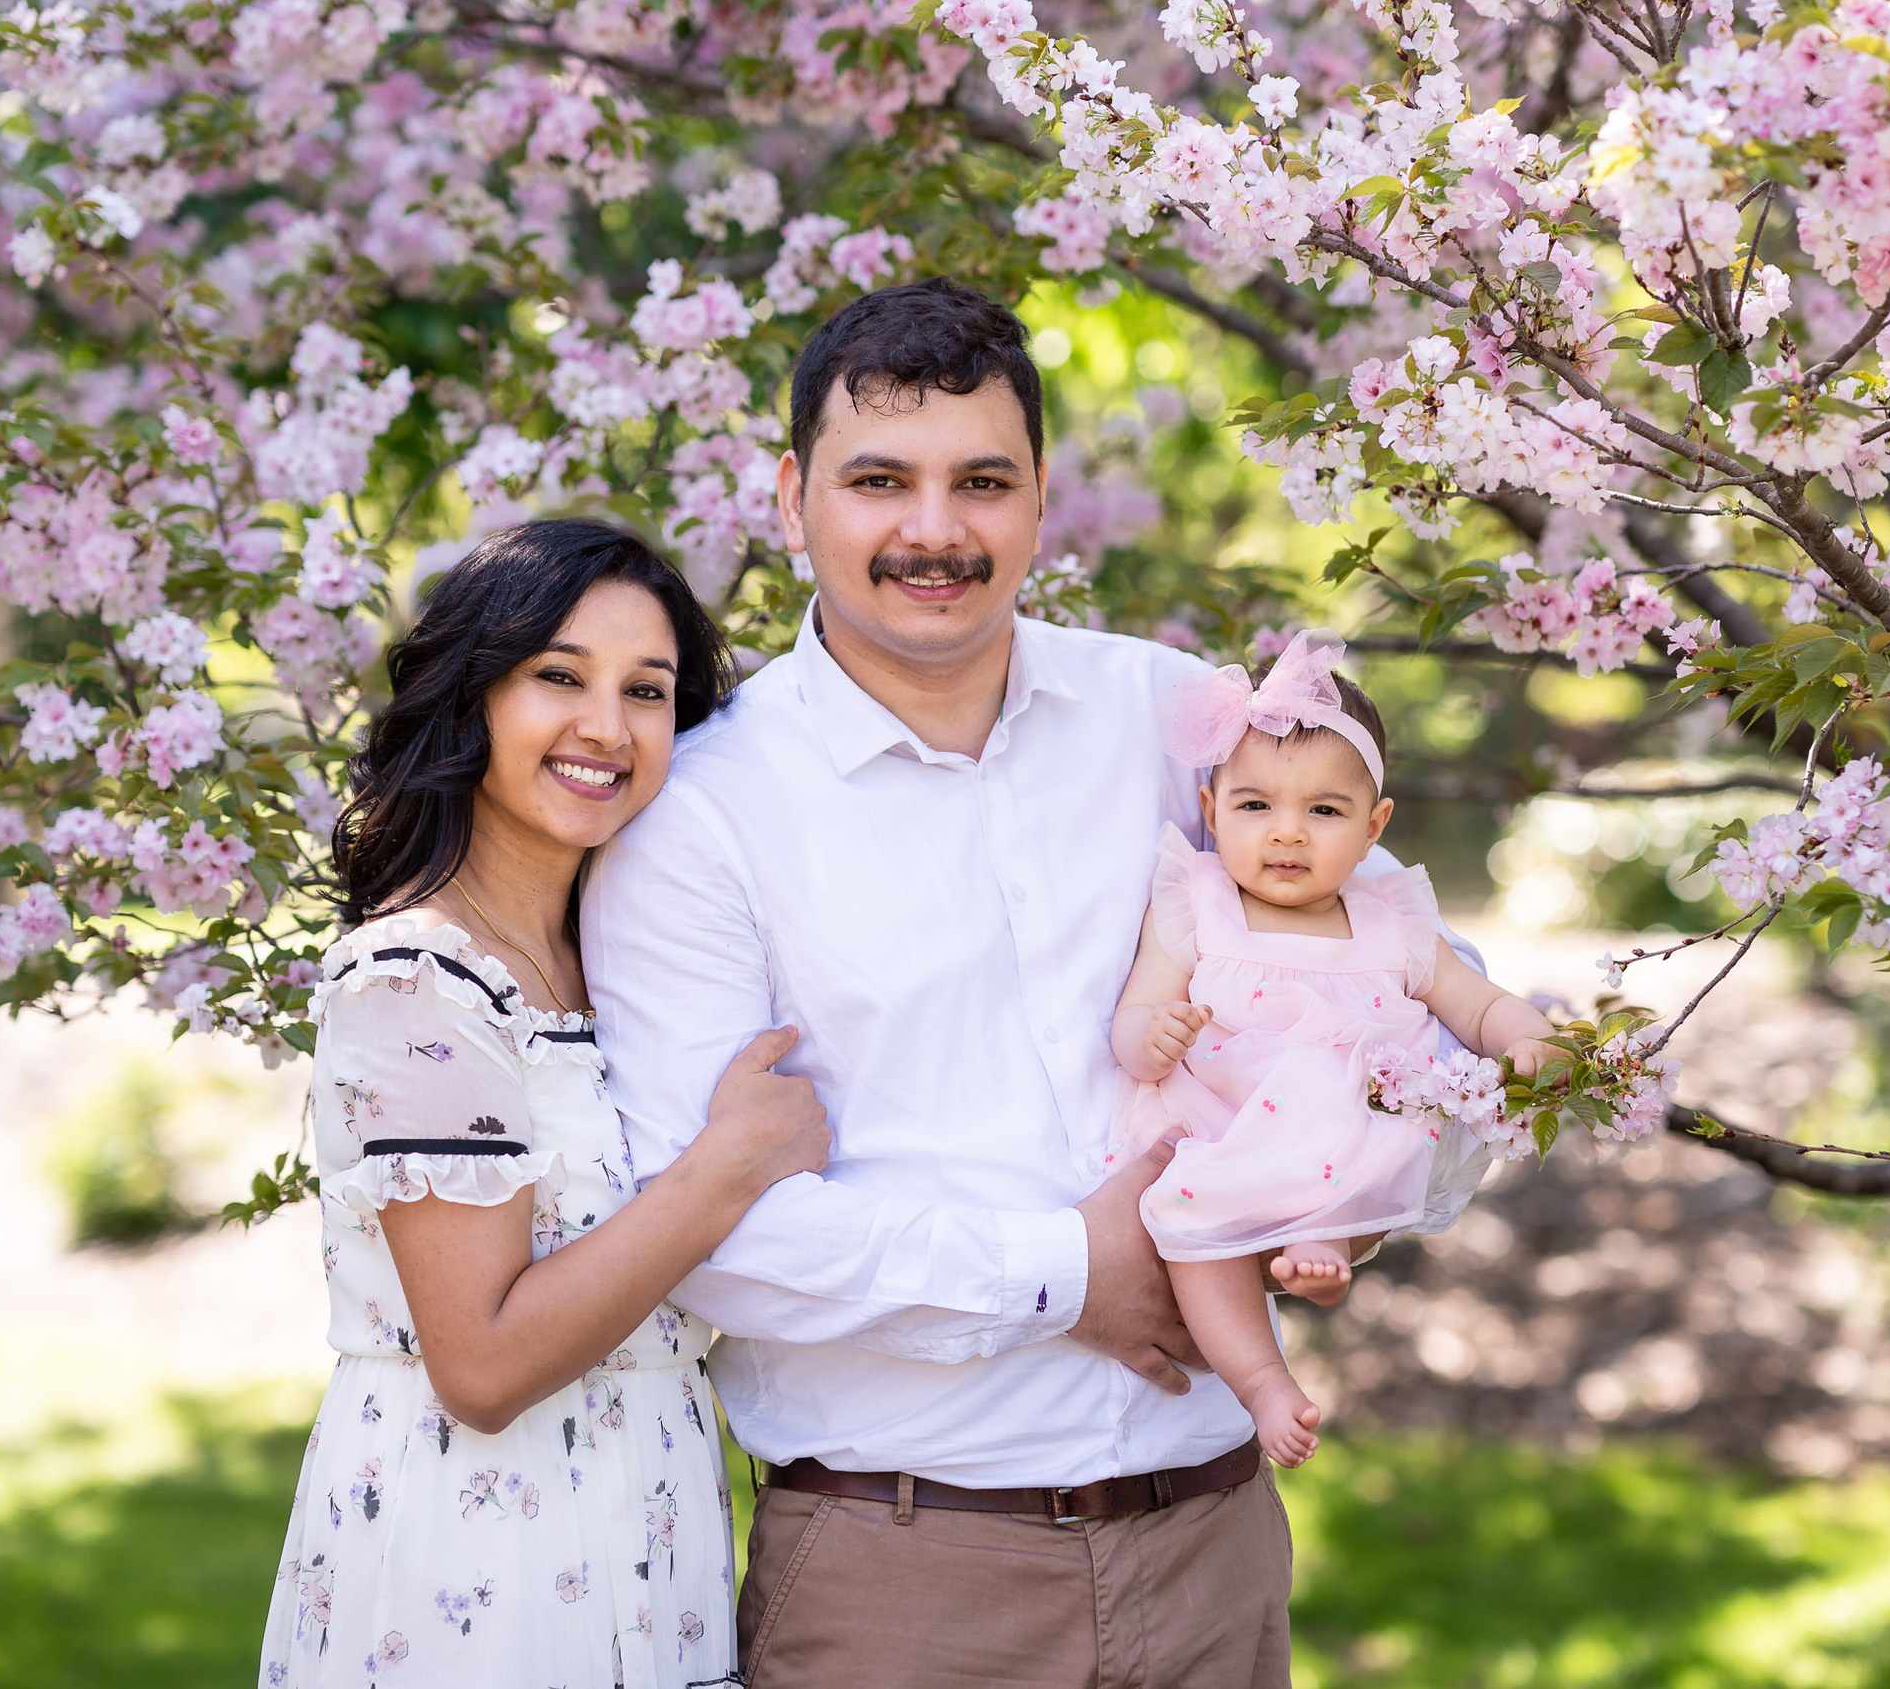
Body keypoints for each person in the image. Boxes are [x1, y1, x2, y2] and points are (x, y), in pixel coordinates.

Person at [581, 278, 1484, 1687]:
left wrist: (1362, 1184)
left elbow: (1421, 988)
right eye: (880, 479)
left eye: (982, 481)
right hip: (907, 1575)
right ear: (789, 492)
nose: (934, 531)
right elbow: (705, 1231)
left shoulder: (1176, 716)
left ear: (1042, 499)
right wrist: (1075, 1271)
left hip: (1214, 1540)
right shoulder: (697, 817)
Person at [259, 520, 829, 1689]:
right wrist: (725, 1170)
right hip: (479, 1566)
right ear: (475, 698)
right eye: (558, 677)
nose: (606, 727)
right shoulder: (416, 977)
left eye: (648, 691)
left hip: (648, 1527)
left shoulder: (619, 965)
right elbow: (480, 1360)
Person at [1109, 630, 1560, 1469]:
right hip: (1223, 1136)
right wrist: (1151, 1037)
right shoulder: (1196, 904)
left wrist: (1530, 1039)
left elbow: (1479, 1002)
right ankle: (1262, 1382)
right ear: (1211, 813)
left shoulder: (1394, 925)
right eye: (1255, 807)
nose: (1288, 834)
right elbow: (1135, 1017)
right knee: (1195, 1238)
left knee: (1378, 1144)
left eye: (1323, 810)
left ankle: (1330, 1241)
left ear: (1373, 825)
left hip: (1338, 1151)